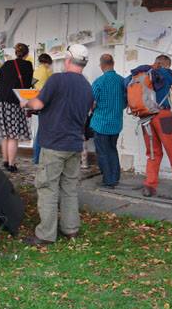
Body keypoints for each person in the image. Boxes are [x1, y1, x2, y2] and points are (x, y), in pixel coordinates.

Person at [21, 44, 94, 245]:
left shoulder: (57, 79)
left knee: (48, 188)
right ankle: (71, 229)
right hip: (74, 144)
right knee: (69, 188)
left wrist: (25, 102)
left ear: (68, 60)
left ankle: (46, 234)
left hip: (54, 143)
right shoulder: (87, 87)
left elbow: (38, 104)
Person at [127, 55, 172, 200]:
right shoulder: (167, 72)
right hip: (163, 117)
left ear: (155, 62)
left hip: (145, 118)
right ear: (167, 65)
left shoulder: (140, 74)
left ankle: (149, 186)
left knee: (153, 153)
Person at [0, 42, 34, 172]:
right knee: (13, 135)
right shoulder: (28, 65)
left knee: (5, 134)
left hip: (0, 100)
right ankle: (12, 164)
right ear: (26, 54)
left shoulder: (6, 64)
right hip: (14, 101)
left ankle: (5, 161)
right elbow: (27, 85)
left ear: (15, 52)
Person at [90, 53, 126, 188]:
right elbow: (126, 102)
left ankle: (108, 180)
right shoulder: (122, 81)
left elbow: (91, 103)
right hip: (116, 123)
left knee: (103, 153)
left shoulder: (99, 82)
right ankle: (115, 177)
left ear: (101, 65)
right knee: (112, 149)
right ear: (113, 63)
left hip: (101, 124)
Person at [31, 53, 54, 164]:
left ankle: (36, 157)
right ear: (48, 62)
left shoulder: (36, 71)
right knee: (43, 131)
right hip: (47, 104)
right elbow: (51, 88)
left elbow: (32, 85)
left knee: (40, 130)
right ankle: (38, 157)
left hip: (37, 102)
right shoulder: (48, 71)